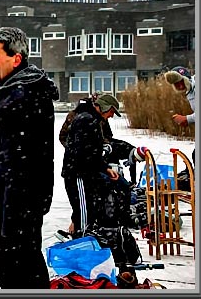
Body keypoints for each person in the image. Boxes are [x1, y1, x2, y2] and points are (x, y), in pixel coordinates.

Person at [0, 26, 59, 289]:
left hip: (18, 201)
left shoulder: (23, 94)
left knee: (20, 267)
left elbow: (24, 159)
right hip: (12, 198)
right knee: (18, 265)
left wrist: (11, 205)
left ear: (16, 58)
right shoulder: (13, 90)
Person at [62, 94, 144, 235]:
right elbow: (84, 152)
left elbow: (92, 152)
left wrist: (104, 168)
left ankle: (83, 239)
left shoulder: (91, 119)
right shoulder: (87, 120)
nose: (111, 116)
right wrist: (100, 167)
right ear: (105, 107)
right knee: (83, 213)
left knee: (85, 211)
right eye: (112, 112)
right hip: (78, 174)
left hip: (83, 172)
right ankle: (82, 244)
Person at [59, 92, 144, 186]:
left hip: (89, 169)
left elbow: (105, 138)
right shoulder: (85, 119)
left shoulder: (97, 118)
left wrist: (105, 154)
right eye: (111, 112)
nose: (111, 116)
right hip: (80, 173)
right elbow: (81, 148)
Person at [164, 66, 196, 164]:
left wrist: (187, 119)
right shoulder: (190, 91)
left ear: (187, 79)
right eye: (176, 84)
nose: (180, 86)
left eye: (181, 82)